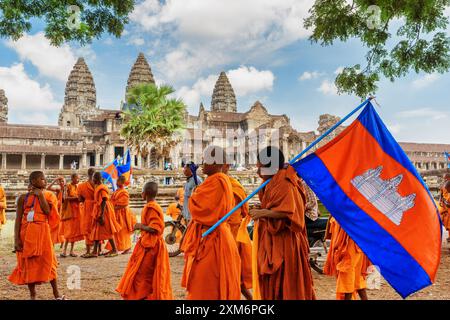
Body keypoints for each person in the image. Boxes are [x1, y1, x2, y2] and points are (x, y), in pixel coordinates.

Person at [249, 146, 316, 300]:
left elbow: (289, 212)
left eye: (261, 168)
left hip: (286, 241)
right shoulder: (270, 181)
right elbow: (274, 205)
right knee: (272, 283)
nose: (258, 172)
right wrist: (262, 208)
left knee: (286, 285)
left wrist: (263, 213)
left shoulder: (285, 181)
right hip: (272, 239)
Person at [181, 146, 241, 300]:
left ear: (216, 162)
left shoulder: (217, 180)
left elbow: (200, 208)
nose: (202, 163)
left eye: (206, 160)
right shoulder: (218, 180)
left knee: (206, 285)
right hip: (212, 235)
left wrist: (194, 195)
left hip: (213, 239)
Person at [8, 171, 66, 300]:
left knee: (49, 261)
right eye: (42, 179)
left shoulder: (49, 196)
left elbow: (48, 212)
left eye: (45, 179)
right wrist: (16, 239)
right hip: (26, 233)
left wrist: (40, 196)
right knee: (28, 263)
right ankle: (32, 294)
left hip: (43, 232)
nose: (45, 181)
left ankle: (56, 293)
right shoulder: (23, 198)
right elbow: (18, 220)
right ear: (33, 181)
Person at [116, 182, 173, 300]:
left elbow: (156, 228)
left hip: (152, 246)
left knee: (142, 274)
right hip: (149, 244)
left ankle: (142, 296)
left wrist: (140, 226)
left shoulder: (151, 207)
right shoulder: (151, 206)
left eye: (142, 190)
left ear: (145, 194)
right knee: (143, 273)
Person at [222, 162, 253, 300]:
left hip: (232, 234)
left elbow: (243, 211)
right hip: (220, 234)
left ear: (227, 166)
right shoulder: (212, 185)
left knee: (233, 272)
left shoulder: (234, 186)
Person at [324, 217, 371, 300]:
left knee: (347, 274)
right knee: (356, 276)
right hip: (354, 241)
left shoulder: (349, 209)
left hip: (350, 243)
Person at [90, 172, 121, 258]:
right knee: (97, 230)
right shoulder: (98, 187)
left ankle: (114, 249)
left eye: (93, 178)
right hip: (99, 210)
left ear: (96, 179)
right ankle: (94, 251)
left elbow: (104, 200)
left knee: (107, 229)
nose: (92, 180)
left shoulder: (102, 188)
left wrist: (102, 214)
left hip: (104, 210)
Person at [111, 175, 136, 254]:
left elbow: (125, 203)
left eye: (118, 181)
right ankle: (116, 247)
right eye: (117, 181)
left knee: (123, 231)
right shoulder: (117, 191)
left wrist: (114, 208)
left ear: (122, 182)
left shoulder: (124, 192)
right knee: (116, 231)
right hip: (116, 213)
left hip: (122, 213)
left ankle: (127, 248)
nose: (117, 182)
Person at [61, 173, 84, 257]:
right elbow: (65, 198)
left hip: (77, 211)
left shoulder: (77, 187)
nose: (78, 180)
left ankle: (71, 251)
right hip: (69, 211)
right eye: (77, 178)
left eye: (79, 178)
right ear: (72, 178)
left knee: (74, 231)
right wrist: (75, 198)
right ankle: (64, 251)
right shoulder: (68, 186)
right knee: (69, 231)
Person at [78, 168, 96, 258]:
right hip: (97, 206)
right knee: (96, 227)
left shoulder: (81, 186)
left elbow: (80, 199)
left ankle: (88, 250)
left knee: (87, 227)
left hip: (87, 207)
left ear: (87, 174)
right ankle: (97, 249)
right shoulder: (98, 185)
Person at [439, 173, 450, 242]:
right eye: (444, 178)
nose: (444, 179)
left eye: (445, 178)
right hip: (445, 206)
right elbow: (441, 194)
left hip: (448, 206)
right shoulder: (444, 184)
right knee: (445, 221)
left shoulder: (448, 184)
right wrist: (441, 200)